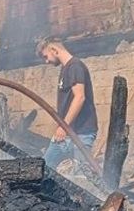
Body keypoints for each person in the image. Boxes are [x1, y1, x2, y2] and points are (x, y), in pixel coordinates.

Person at [38, 36, 98, 170]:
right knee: (44, 168)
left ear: (54, 49)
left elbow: (80, 97)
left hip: (81, 133)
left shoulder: (75, 66)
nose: (46, 61)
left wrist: (64, 126)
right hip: (66, 134)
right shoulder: (65, 69)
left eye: (46, 56)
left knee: (84, 174)